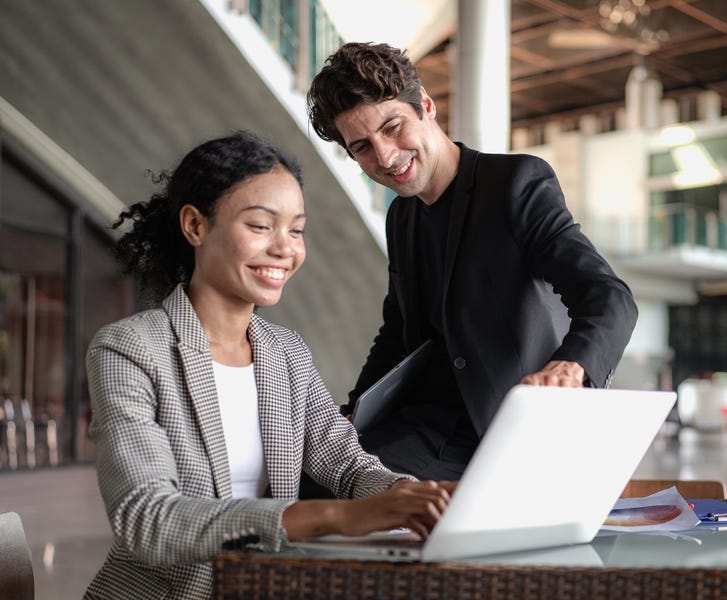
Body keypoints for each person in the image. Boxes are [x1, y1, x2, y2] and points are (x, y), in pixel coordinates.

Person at [84, 132, 453, 599]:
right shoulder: (129, 349)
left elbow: (346, 466)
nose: (285, 248)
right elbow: (148, 521)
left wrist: (412, 496)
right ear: (195, 226)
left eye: (296, 230)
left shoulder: (286, 352)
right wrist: (333, 516)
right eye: (261, 226)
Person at [305, 42, 639, 482]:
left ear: (426, 105)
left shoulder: (514, 184)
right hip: (422, 424)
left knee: (335, 486)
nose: (385, 157)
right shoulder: (401, 215)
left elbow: (609, 297)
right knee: (307, 472)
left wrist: (571, 366)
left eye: (393, 127)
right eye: (363, 147)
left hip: (498, 428)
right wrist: (353, 413)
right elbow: (396, 333)